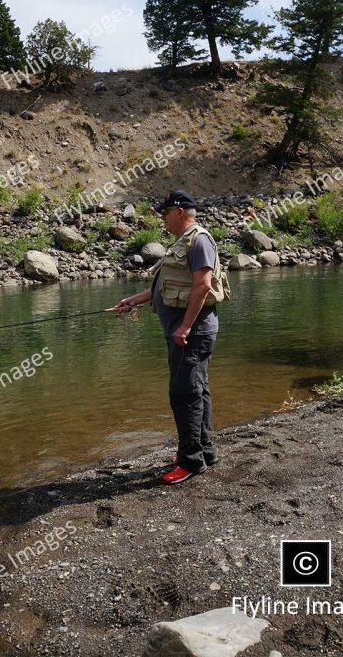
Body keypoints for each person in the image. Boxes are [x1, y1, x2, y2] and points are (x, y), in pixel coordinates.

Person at [115, 190, 230, 485]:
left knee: (184, 395)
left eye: (165, 212)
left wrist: (186, 327)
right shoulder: (182, 241)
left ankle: (190, 461)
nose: (163, 218)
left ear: (180, 211)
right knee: (197, 390)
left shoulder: (199, 240)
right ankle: (204, 451)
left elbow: (203, 286)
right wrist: (134, 300)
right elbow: (163, 288)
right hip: (186, 332)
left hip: (191, 333)